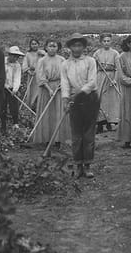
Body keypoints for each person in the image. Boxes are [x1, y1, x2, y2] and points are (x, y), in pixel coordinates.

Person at [61, 33, 100, 178]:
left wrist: (78, 94)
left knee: (88, 133)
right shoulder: (65, 64)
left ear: (84, 47)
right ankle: (78, 165)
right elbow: (64, 83)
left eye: (79, 45)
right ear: (70, 47)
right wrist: (65, 99)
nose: (77, 48)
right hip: (73, 101)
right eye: (74, 45)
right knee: (76, 134)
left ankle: (88, 165)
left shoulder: (90, 61)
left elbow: (92, 82)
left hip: (90, 98)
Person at [30, 39, 70, 147]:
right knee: (47, 114)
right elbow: (40, 77)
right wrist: (49, 89)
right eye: (50, 46)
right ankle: (47, 138)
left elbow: (66, 74)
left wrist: (62, 84)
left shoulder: (62, 60)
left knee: (58, 112)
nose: (52, 48)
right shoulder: (42, 61)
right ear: (46, 48)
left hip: (59, 89)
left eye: (55, 46)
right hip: (46, 89)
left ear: (58, 48)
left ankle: (57, 139)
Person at [94, 33, 121, 131]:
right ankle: (100, 123)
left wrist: (115, 80)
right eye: (104, 41)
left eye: (108, 41)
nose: (106, 43)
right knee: (100, 99)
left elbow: (118, 69)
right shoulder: (97, 53)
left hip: (111, 77)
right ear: (101, 42)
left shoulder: (115, 53)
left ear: (111, 41)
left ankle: (111, 122)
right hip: (100, 77)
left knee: (110, 101)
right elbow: (94, 68)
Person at [2, 46, 25, 133]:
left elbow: (17, 78)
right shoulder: (2, 62)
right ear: (9, 55)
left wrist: (15, 89)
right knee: (2, 106)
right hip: (2, 88)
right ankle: (3, 125)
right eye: (14, 56)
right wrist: (2, 83)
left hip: (11, 88)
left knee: (14, 106)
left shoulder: (17, 65)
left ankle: (15, 123)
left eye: (17, 56)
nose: (16, 58)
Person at [22, 39, 45, 110]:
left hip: (40, 75)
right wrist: (29, 72)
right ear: (30, 45)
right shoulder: (28, 54)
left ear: (38, 44)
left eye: (36, 44)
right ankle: (30, 107)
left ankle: (40, 107)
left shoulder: (42, 53)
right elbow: (24, 66)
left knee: (40, 91)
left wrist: (43, 55)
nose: (34, 45)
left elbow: (46, 61)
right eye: (32, 44)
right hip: (32, 75)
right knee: (31, 91)